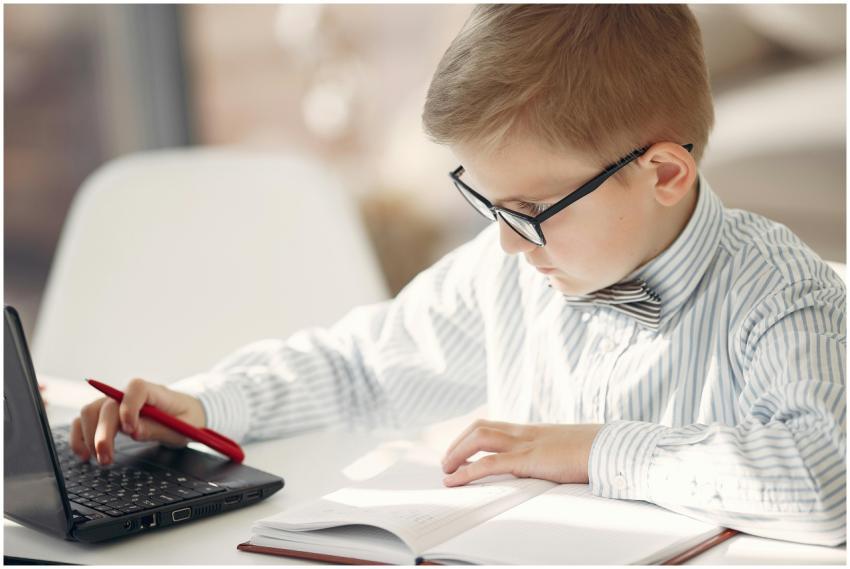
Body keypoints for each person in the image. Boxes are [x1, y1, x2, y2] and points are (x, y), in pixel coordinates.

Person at [71, 5, 845, 546]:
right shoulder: (509, 271)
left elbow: (827, 480)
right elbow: (360, 365)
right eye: (485, 201)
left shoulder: (781, 294)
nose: (506, 242)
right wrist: (211, 401)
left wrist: (590, 448)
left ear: (665, 172)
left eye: (532, 208)